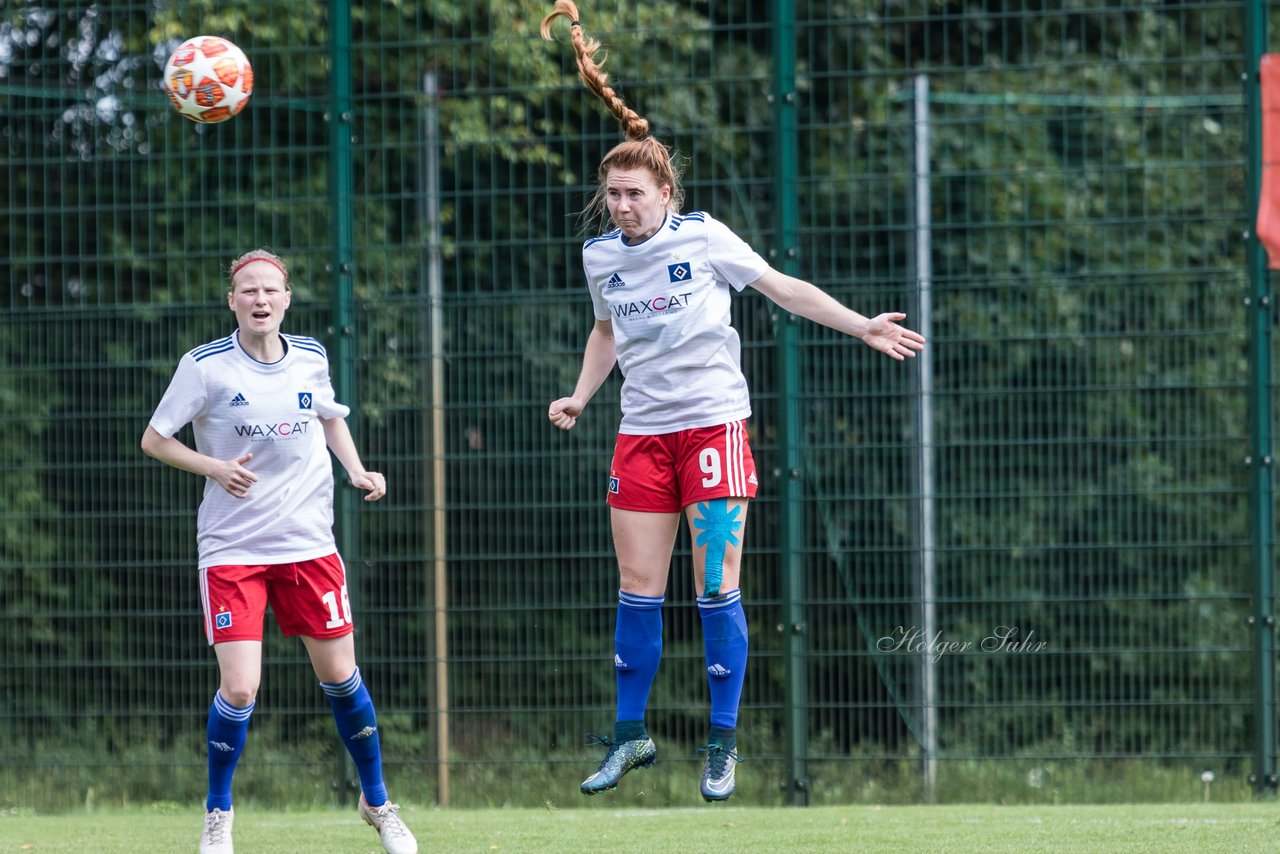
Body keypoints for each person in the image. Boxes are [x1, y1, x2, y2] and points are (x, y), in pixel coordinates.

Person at [540, 1, 926, 803]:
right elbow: (605, 333)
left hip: (712, 427)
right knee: (637, 586)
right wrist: (580, 396)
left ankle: (722, 745)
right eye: (612, 195)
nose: (621, 207)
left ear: (665, 190)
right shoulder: (600, 257)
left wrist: (859, 325)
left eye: (634, 194)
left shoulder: (705, 238)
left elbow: (783, 289)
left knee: (715, 585)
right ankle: (630, 736)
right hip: (640, 438)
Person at [140, 249, 418, 854]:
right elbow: (154, 439)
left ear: (287, 298)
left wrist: (359, 471)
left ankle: (378, 803)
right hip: (233, 547)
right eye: (248, 291)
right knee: (240, 689)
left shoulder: (311, 357)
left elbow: (330, 419)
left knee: (342, 678)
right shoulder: (205, 367)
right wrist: (213, 466)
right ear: (231, 301)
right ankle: (218, 815)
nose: (260, 299)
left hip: (307, 543)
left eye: (271, 290)